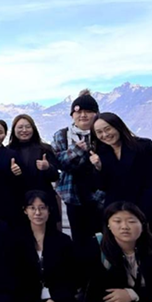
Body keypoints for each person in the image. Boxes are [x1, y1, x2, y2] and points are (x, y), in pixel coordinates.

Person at [17, 191, 86, 302]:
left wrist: (55, 299)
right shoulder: (17, 240)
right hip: (30, 300)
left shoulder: (63, 241)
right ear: (25, 211)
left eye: (42, 208)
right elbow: (14, 277)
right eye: (32, 208)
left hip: (57, 297)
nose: (37, 212)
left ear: (49, 210)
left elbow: (74, 277)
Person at [91, 112, 152, 245]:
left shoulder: (143, 146)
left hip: (146, 211)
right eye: (99, 132)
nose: (105, 135)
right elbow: (102, 186)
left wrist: (140, 214)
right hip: (116, 214)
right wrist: (98, 168)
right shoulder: (101, 152)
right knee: (118, 253)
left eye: (108, 129)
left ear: (118, 126)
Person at [52, 89, 105, 244]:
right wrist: (76, 150)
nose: (83, 115)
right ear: (72, 115)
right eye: (79, 112)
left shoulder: (103, 133)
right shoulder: (61, 135)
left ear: (96, 114)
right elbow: (58, 162)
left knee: (105, 239)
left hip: (102, 196)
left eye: (88, 111)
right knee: (80, 240)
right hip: (73, 196)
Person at [7, 114, 62, 229]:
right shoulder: (7, 151)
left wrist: (47, 168)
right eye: (20, 127)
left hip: (43, 200)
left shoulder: (45, 149)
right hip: (17, 201)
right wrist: (11, 173)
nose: (24, 130)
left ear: (33, 129)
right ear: (14, 130)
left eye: (28, 127)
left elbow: (56, 176)